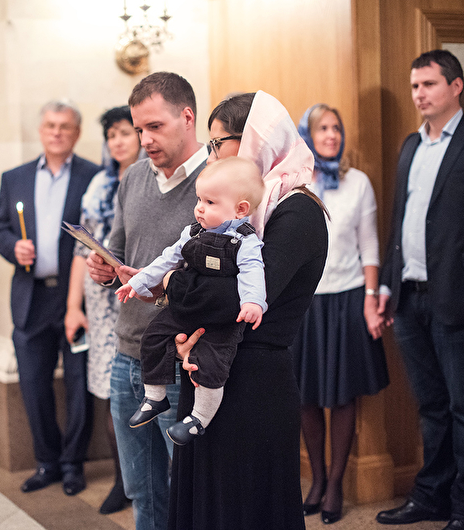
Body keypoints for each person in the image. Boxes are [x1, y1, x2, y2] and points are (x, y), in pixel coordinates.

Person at [164, 91, 329, 530]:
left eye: (217, 143)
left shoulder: (297, 212)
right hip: (212, 366)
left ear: (256, 138)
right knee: (205, 504)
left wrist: (169, 284)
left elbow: (232, 299)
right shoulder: (241, 212)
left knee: (243, 507)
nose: (211, 156)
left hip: (254, 382)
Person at [375, 50, 464, 530]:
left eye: (428, 84)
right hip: (409, 298)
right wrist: (387, 284)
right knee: (431, 406)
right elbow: (400, 222)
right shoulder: (411, 145)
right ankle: (432, 498)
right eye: (414, 86)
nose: (419, 94)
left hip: (463, 300)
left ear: (456, 86)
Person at [86, 71, 209, 530]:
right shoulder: (134, 176)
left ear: (187, 117)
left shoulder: (216, 180)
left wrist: (167, 286)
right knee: (143, 491)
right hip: (127, 354)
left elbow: (228, 273)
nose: (144, 140)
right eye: (139, 129)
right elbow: (119, 252)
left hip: (180, 358)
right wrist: (104, 268)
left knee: (190, 491)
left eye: (155, 126)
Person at [117, 157, 267, 446]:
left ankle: (199, 419)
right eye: (199, 199)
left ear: (240, 209)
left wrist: (253, 302)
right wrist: (138, 281)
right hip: (186, 308)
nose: (199, 207)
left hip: (222, 319)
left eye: (210, 202)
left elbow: (252, 271)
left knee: (210, 364)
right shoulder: (192, 232)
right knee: (154, 336)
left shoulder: (244, 241)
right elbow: (166, 259)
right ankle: (155, 397)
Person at [0, 100, 98, 496]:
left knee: (78, 383)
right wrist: (12, 247)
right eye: (50, 125)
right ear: (40, 131)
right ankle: (47, 462)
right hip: (30, 297)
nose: (56, 132)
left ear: (77, 133)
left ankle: (73, 464)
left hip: (76, 301)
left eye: (65, 126)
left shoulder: (93, 176)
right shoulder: (14, 178)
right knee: (33, 385)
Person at [291, 103, 389, 524]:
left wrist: (371, 297)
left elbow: (370, 245)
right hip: (303, 303)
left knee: (344, 395)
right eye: (322, 128)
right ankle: (315, 479)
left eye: (336, 128)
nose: (331, 135)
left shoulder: (358, 182)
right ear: (307, 136)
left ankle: (335, 485)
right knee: (306, 396)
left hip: (347, 299)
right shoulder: (293, 183)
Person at [63, 105, 142, 513]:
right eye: (111, 135)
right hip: (101, 303)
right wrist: (73, 306)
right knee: (112, 396)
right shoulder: (98, 184)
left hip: (137, 295)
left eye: (125, 132)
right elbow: (82, 249)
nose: (117, 141)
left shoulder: (150, 178)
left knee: (144, 393)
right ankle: (122, 480)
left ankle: (151, 481)